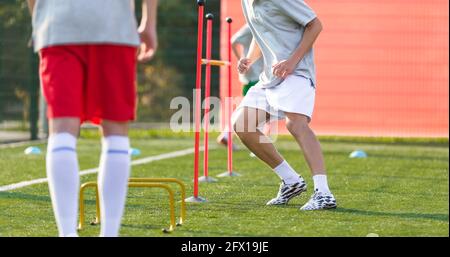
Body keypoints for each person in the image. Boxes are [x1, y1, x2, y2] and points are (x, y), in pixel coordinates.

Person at [27, 0, 158, 236]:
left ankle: (67, 233)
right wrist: (149, 22)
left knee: (62, 130)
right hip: (113, 25)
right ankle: (110, 233)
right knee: (116, 133)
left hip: (58, 24)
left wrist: (39, 19)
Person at [233, 0, 337, 210]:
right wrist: (250, 59)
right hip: (270, 76)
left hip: (296, 72)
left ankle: (324, 194)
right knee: (242, 125)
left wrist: (291, 61)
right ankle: (291, 181)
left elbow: (315, 24)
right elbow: (260, 30)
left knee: (296, 125)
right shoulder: (247, 2)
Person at [217, 24, 263, 149]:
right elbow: (233, 41)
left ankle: (227, 134)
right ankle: (257, 144)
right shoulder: (252, 24)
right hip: (255, 73)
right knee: (257, 108)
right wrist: (242, 60)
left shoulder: (264, 20)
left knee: (251, 107)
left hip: (258, 73)